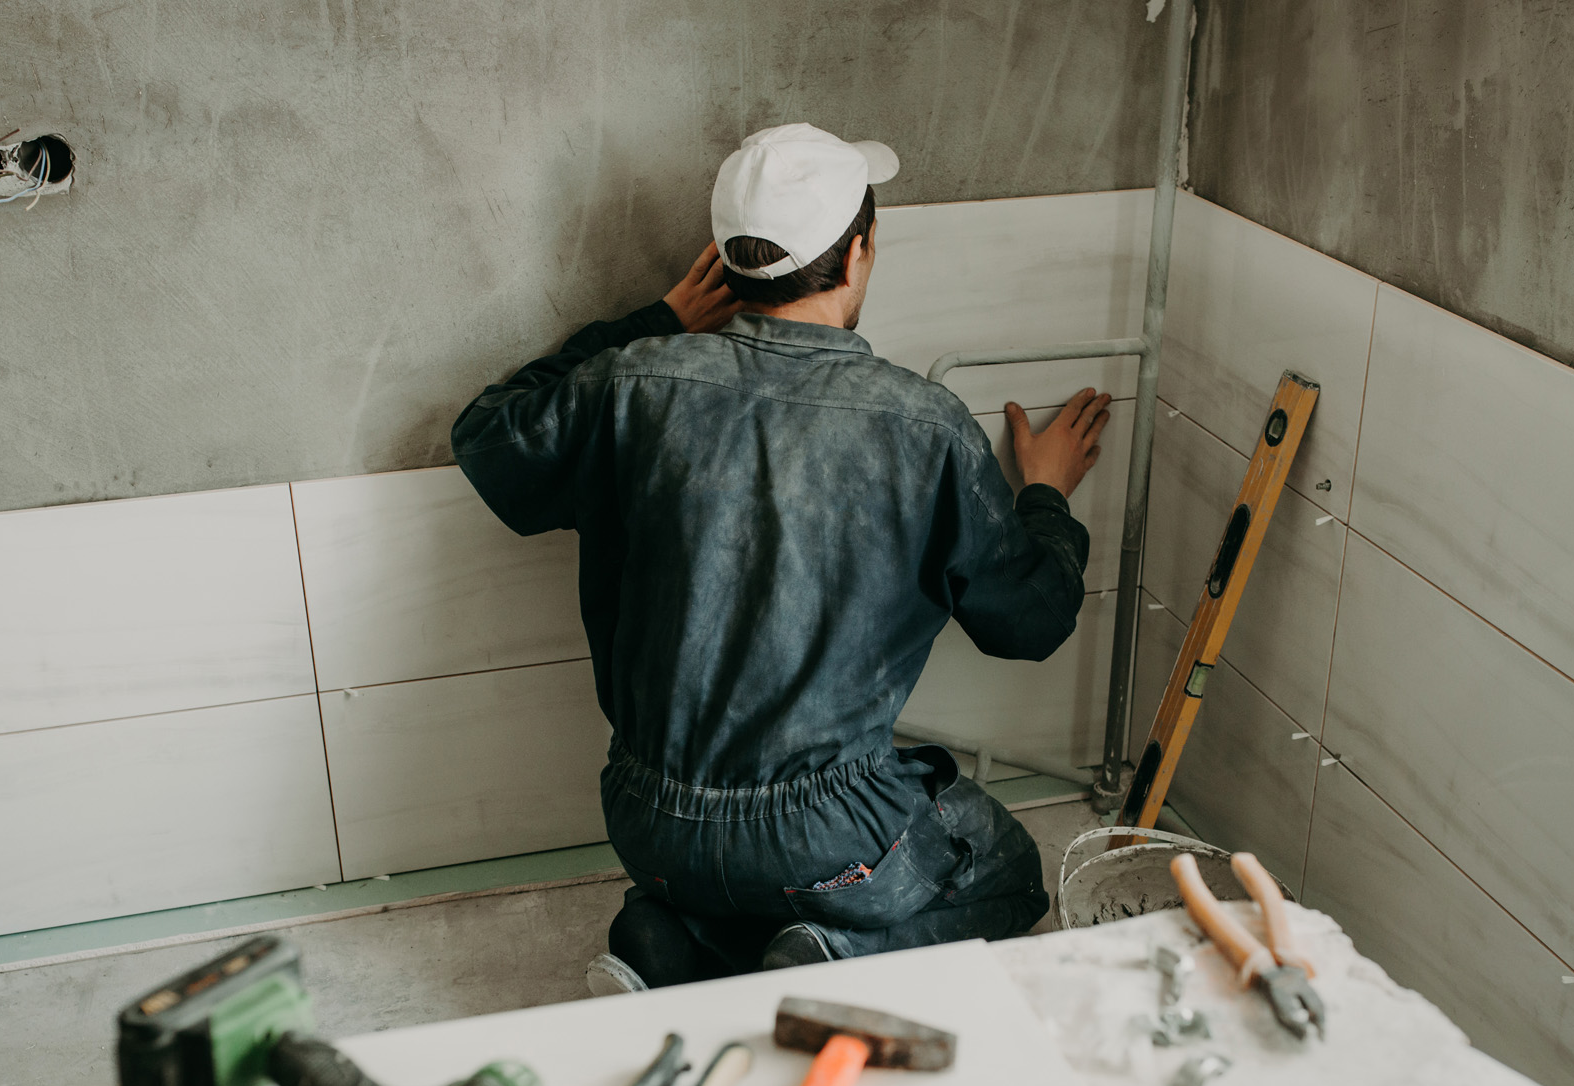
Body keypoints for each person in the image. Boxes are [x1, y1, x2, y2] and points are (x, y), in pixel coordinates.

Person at [451, 124, 1110, 991]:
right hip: (826, 840)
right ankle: (835, 952)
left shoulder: (635, 384)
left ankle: (669, 937)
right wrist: (1045, 497)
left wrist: (657, 320)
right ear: (861, 252)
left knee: (740, 872)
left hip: (649, 821)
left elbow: (488, 438)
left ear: (729, 261)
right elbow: (1031, 620)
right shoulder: (922, 426)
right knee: (1006, 869)